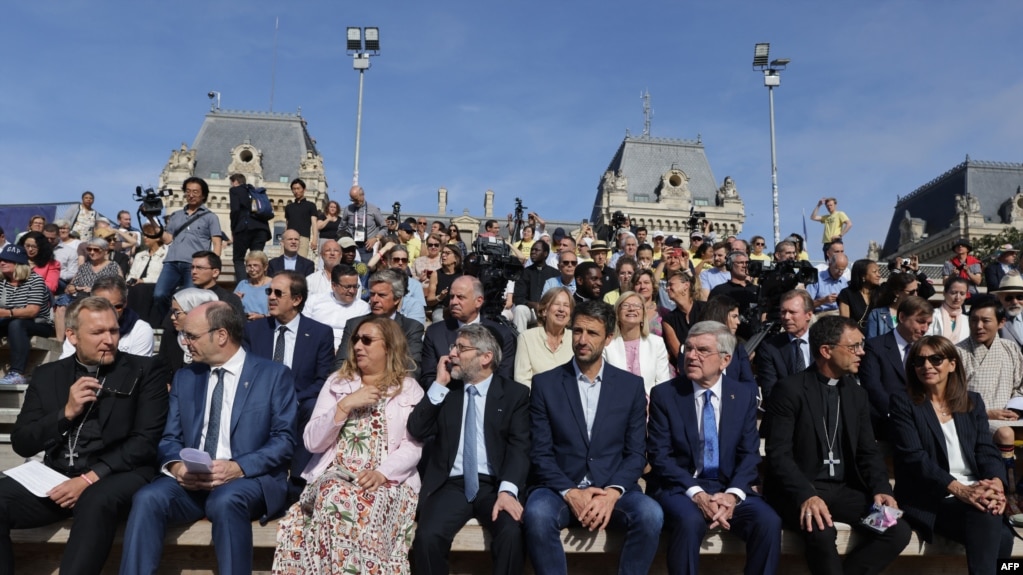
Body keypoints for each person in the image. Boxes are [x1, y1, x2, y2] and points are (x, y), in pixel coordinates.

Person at [120, 301, 297, 575]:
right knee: (147, 498)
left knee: (225, 500)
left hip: (247, 480)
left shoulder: (273, 375)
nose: (185, 342)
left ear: (221, 335)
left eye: (191, 336)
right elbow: (170, 439)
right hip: (191, 482)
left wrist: (238, 467)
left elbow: (284, 440)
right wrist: (177, 467)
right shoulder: (186, 377)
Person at [0, 297, 168, 573]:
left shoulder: (145, 370)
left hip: (117, 475)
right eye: (98, 332)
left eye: (114, 331)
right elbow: (22, 441)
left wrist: (88, 479)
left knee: (95, 500)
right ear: (72, 335)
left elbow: (144, 442)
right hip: (58, 476)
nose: (109, 340)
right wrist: (66, 412)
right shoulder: (47, 374)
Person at [273, 316, 423, 573]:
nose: (358, 346)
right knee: (335, 494)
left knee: (366, 503)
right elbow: (312, 441)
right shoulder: (338, 383)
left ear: (389, 346)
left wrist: (381, 473)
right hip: (336, 473)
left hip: (388, 480)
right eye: (355, 340)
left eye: (367, 340)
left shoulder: (409, 389)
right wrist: (346, 404)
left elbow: (413, 446)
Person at [763, 315, 912, 575]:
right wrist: (806, 495)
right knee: (821, 532)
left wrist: (880, 488)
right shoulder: (789, 389)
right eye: (853, 346)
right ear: (826, 350)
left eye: (861, 345)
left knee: (896, 530)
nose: (861, 352)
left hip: (843, 493)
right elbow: (779, 455)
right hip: (800, 491)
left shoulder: (856, 393)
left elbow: (868, 450)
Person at [524, 300, 663, 575]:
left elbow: (636, 453)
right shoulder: (545, 384)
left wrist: (612, 493)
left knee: (651, 515)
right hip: (558, 487)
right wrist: (570, 492)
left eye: (592, 333)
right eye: (577, 331)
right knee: (537, 515)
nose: (582, 340)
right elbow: (540, 452)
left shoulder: (631, 386)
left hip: (614, 488)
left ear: (609, 338)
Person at [648, 320, 782, 575]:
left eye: (702, 350)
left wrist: (731, 495)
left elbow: (749, 454)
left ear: (725, 360)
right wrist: (697, 494)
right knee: (689, 522)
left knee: (768, 522)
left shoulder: (742, 395)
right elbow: (660, 456)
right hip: (682, 487)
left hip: (729, 486)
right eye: (688, 349)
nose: (691, 356)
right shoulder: (665, 395)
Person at [408, 324, 530, 575]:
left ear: (485, 357)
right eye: (453, 346)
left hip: (495, 485)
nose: (452, 353)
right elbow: (417, 429)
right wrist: (439, 384)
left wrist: (508, 491)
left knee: (511, 533)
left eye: (461, 348)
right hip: (451, 485)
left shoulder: (514, 394)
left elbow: (520, 447)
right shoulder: (446, 392)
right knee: (428, 537)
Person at [890, 336, 1014, 574]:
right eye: (919, 360)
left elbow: (985, 450)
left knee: (1004, 538)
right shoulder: (904, 403)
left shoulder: (972, 401)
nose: (927, 366)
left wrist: (996, 485)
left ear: (952, 364)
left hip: (976, 496)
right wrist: (962, 491)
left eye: (936, 359)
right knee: (994, 525)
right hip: (932, 498)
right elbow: (915, 458)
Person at [420, 276, 517, 387]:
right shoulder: (435, 333)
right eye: (451, 297)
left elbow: (504, 378)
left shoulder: (501, 334)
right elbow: (428, 378)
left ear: (478, 301)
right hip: (447, 400)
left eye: (460, 297)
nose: (453, 302)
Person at [859, 296, 934, 436]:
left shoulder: (925, 349)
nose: (925, 329)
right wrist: (899, 416)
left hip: (920, 425)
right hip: (886, 426)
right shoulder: (875, 347)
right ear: (902, 317)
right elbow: (872, 387)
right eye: (920, 322)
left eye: (928, 324)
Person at [151, 177, 223, 320]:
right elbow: (167, 239)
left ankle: (187, 326)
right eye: (188, 191)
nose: (191, 195)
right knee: (159, 294)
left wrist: (214, 265)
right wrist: (152, 219)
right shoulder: (176, 215)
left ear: (203, 195)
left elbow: (217, 241)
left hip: (193, 265)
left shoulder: (210, 217)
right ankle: (171, 321)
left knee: (190, 300)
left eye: (195, 192)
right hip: (171, 262)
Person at [333, 269, 424, 376]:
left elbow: (411, 369)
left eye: (381, 295)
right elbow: (340, 365)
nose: (374, 299)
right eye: (372, 294)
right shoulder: (354, 325)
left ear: (397, 299)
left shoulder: (411, 328)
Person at [60, 275, 154, 359]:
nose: (110, 313)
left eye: (116, 307)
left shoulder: (140, 330)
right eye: (101, 306)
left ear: (125, 303)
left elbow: (137, 371)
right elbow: (66, 364)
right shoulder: (79, 326)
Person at [0, 245, 55, 385]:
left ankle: (17, 373)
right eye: (1, 260)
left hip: (39, 323)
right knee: (13, 323)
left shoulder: (35, 280)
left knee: (16, 323)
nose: (2, 263)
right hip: (10, 321)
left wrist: (7, 312)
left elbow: (32, 311)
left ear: (19, 264)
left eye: (7, 260)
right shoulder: (2, 281)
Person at [603, 291, 671, 395]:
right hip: (616, 404)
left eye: (637, 306)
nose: (632, 309)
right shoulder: (607, 344)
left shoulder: (656, 343)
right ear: (617, 313)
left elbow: (663, 383)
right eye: (625, 305)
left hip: (650, 406)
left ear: (643, 314)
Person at [756, 290, 815, 407]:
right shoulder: (770, 347)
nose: (786, 317)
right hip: (786, 411)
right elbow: (770, 390)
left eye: (792, 312)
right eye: (783, 312)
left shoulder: (823, 342)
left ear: (808, 315)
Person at [514, 287, 574, 386]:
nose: (562, 309)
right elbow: (522, 381)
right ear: (544, 311)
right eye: (557, 304)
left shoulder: (575, 339)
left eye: (566, 305)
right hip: (537, 400)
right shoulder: (526, 338)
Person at [303, 264, 371, 350]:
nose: (352, 291)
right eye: (347, 287)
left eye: (355, 286)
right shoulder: (314, 301)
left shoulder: (363, 309)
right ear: (334, 285)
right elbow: (304, 329)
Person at [156, 288, 218, 375]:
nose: (172, 317)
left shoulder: (213, 338)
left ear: (193, 311)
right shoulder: (170, 335)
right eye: (172, 312)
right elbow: (163, 368)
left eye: (177, 312)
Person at [697, 295, 755, 386]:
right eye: (734, 316)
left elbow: (750, 385)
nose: (738, 322)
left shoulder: (738, 349)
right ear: (721, 316)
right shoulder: (693, 347)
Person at [228, 173, 272, 281]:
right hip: (261, 230)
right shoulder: (255, 192)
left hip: (244, 228)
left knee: (238, 259)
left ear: (235, 182)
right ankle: (258, 283)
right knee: (256, 258)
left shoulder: (235, 190)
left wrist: (233, 229)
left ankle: (243, 286)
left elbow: (235, 210)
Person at [511, 240, 559, 334]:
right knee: (519, 309)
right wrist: (533, 304)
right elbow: (518, 298)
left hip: (549, 310)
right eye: (532, 250)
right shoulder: (525, 272)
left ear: (545, 253)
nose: (533, 252)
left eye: (537, 250)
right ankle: (519, 343)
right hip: (531, 311)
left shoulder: (555, 273)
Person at [661, 270, 705, 368]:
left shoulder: (705, 309)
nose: (667, 288)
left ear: (686, 286)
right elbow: (678, 352)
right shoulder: (669, 320)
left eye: (671, 284)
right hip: (687, 366)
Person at [189, 250, 245, 318]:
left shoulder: (230, 299)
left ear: (215, 272)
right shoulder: (185, 296)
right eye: (192, 267)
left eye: (199, 268)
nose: (194, 272)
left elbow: (239, 326)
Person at [383, 245, 428, 327]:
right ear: (389, 261)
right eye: (396, 260)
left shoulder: (415, 285)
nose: (400, 263)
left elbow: (419, 313)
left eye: (404, 260)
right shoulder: (381, 283)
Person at [865, 271, 920, 338]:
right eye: (911, 292)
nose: (916, 295)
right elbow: (871, 342)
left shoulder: (919, 313)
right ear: (897, 292)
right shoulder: (877, 314)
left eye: (917, 290)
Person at [341, 184, 387, 262]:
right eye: (352, 200)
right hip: (351, 247)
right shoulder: (347, 209)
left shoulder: (373, 209)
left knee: (364, 271)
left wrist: (375, 239)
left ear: (362, 195)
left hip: (366, 247)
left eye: (356, 199)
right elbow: (341, 228)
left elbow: (384, 227)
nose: (355, 202)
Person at [838, 258, 881, 333]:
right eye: (874, 272)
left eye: (878, 271)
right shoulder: (847, 293)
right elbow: (844, 322)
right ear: (863, 276)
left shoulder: (881, 292)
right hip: (856, 336)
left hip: (877, 336)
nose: (879, 275)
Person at [425, 243, 463, 323]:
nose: (443, 255)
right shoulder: (436, 274)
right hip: (441, 307)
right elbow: (429, 301)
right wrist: (440, 297)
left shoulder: (462, 274)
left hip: (459, 306)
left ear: (456, 258)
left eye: (447, 253)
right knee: (439, 318)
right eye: (443, 253)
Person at [284, 178, 319, 259]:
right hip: (289, 238)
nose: (296, 191)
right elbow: (287, 224)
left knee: (301, 263)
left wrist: (314, 239)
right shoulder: (289, 207)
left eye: (298, 188)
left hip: (303, 238)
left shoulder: (311, 205)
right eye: (294, 189)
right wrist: (284, 238)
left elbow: (314, 224)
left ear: (304, 189)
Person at [16, 230, 59, 295]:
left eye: (34, 246)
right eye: (27, 246)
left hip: (37, 298)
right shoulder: (15, 260)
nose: (30, 249)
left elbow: (51, 287)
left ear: (42, 247)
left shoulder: (52, 264)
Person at [930, 276, 971, 344]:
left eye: (962, 294)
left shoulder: (967, 320)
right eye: (953, 293)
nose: (957, 297)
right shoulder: (932, 315)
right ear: (944, 293)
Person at [233, 251, 271, 320]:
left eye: (256, 265)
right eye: (249, 266)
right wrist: (236, 300)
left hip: (265, 324)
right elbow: (231, 307)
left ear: (265, 267)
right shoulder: (243, 284)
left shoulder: (273, 284)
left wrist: (262, 317)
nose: (252, 269)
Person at [53, 219, 80, 290]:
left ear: (69, 230)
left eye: (64, 228)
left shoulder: (77, 244)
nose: (62, 231)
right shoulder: (50, 244)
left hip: (64, 279)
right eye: (59, 228)